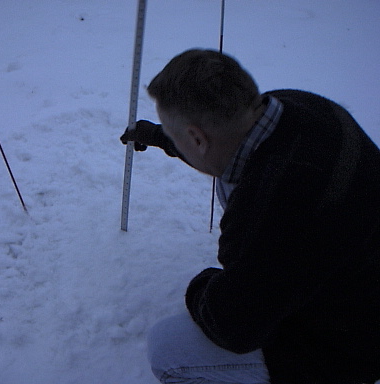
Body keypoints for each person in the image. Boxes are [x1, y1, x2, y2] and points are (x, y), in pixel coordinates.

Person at [120, 49, 380, 384]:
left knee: (169, 348)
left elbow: (234, 327)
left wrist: (205, 285)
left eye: (178, 137)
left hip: (357, 339)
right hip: (357, 259)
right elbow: (225, 146)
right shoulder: (295, 106)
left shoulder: (275, 213)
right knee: (231, 175)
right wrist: (160, 136)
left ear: (196, 138)